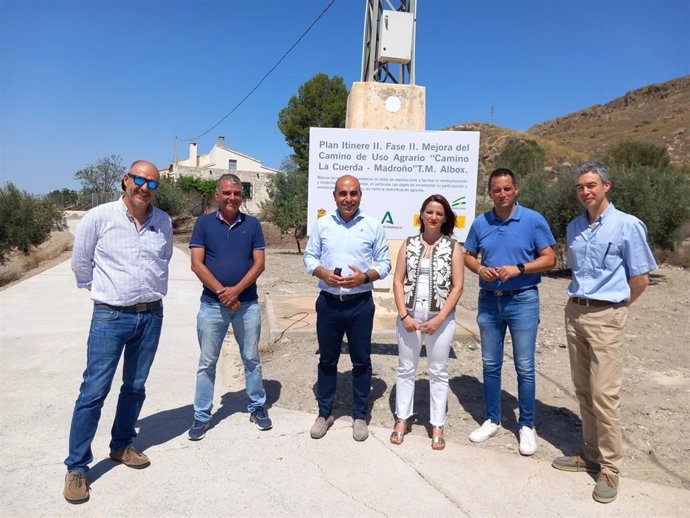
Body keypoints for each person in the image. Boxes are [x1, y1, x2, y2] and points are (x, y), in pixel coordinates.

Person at [64, 160, 172, 504]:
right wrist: (107, 294)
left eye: (152, 183)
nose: (145, 187)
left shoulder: (164, 221)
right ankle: (77, 467)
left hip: (151, 316)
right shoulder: (99, 217)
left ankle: (121, 445)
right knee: (94, 390)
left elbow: (164, 259)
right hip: (110, 318)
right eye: (139, 180)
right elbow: (81, 264)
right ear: (126, 180)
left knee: (135, 386)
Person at [552, 161, 657, 504]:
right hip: (575, 312)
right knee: (583, 388)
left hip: (606, 314)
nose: (585, 191)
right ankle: (591, 454)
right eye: (580, 186)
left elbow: (640, 278)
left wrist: (618, 308)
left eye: (591, 185)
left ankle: (610, 467)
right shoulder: (574, 227)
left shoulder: (627, 225)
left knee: (605, 394)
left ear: (606, 186)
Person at [464, 168, 556, 456]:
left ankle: (526, 425)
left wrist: (519, 269)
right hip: (489, 300)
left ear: (516, 189)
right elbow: (468, 254)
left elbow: (550, 258)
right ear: (489, 193)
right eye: (496, 190)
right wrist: (480, 268)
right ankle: (492, 419)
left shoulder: (532, 220)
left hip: (523, 300)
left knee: (524, 367)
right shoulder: (481, 223)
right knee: (490, 364)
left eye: (507, 189)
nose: (502, 194)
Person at [303, 175, 391, 441]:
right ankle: (324, 412)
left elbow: (385, 263)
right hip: (329, 303)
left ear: (360, 196)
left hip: (360, 305)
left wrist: (364, 277)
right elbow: (309, 256)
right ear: (334, 196)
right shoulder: (323, 225)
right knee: (327, 360)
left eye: (353, 193)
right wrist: (322, 273)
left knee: (361, 361)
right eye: (343, 193)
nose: (348, 199)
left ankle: (359, 415)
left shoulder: (373, 226)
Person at [187, 174, 271, 441]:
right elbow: (197, 264)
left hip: (247, 305)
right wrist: (224, 293)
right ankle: (201, 415)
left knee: (252, 359)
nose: (232, 197)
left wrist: (236, 291)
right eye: (227, 193)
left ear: (241, 196)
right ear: (217, 195)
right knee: (207, 362)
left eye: (236, 193)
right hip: (212, 306)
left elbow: (259, 264)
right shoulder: (203, 224)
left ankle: (257, 406)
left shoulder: (253, 225)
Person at [390, 194, 464, 450]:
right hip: (410, 315)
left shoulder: (453, 247)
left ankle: (437, 424)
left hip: (440, 320)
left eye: (439, 213)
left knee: (438, 371)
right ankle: (402, 419)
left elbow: (458, 286)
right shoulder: (409, 244)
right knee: (406, 368)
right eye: (430, 212)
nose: (434, 217)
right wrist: (404, 315)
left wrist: (440, 319)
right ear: (421, 214)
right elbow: (398, 280)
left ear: (445, 218)